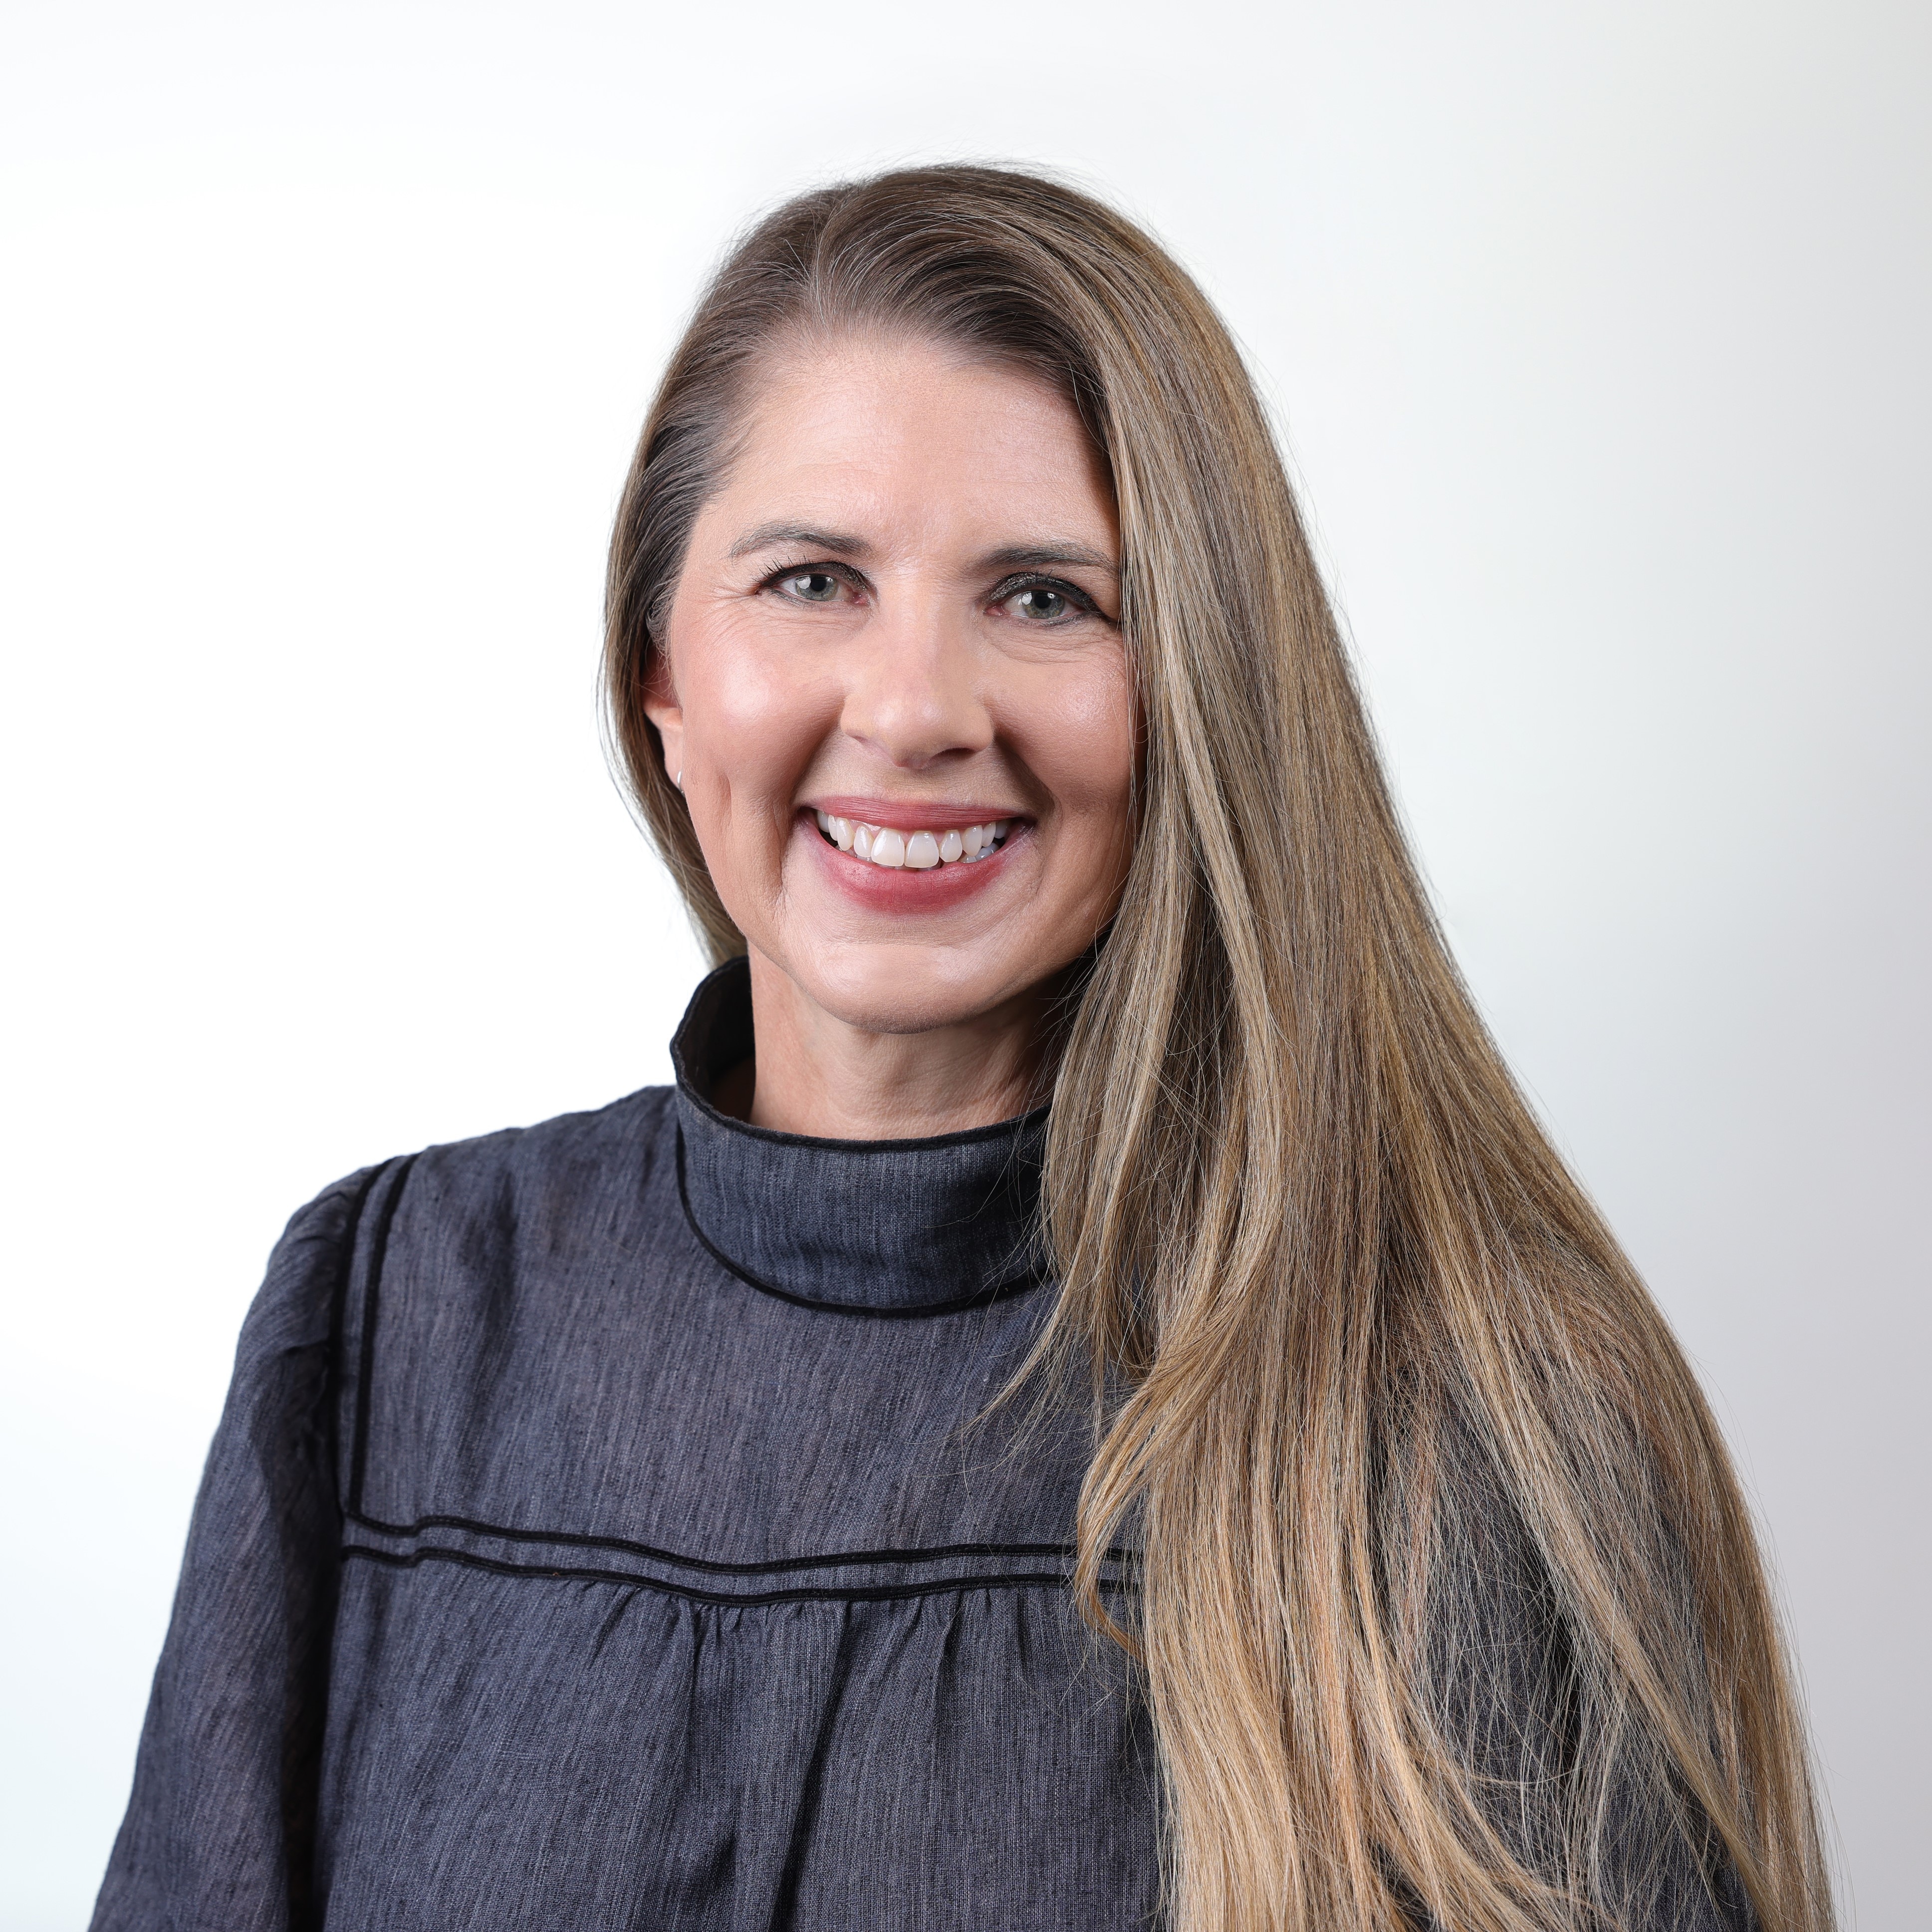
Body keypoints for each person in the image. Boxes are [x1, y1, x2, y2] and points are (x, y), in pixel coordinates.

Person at [92, 166, 1832, 1932]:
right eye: (812, 577)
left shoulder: (1474, 1418)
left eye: (1049, 599)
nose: (917, 708)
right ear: (662, 678)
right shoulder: (391, 1321)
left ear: (1202, 692)